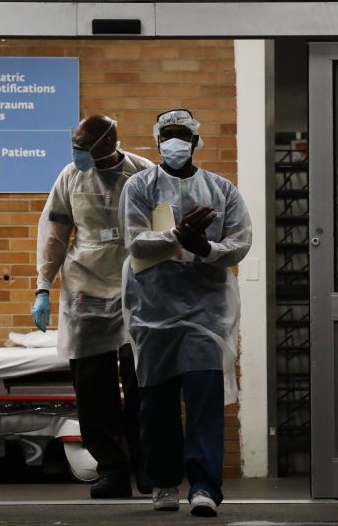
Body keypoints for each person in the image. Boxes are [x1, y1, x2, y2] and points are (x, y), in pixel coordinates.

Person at [120, 109, 252, 518]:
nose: (173, 142)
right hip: (151, 310)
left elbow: (241, 241)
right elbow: (136, 241)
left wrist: (204, 248)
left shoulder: (222, 190)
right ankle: (163, 482)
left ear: (196, 141)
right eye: (167, 134)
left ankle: (204, 485)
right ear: (158, 140)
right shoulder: (139, 186)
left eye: (181, 134)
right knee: (156, 401)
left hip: (206, 314)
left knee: (204, 399)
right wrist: (178, 235)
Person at [32, 115, 155, 498]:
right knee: (92, 385)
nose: (76, 150)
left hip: (137, 286)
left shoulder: (144, 173)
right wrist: (42, 287)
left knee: (144, 383)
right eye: (74, 142)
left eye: (82, 143)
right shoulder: (70, 176)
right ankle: (112, 471)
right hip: (85, 287)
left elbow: (166, 228)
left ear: (108, 141)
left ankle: (147, 467)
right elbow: (54, 233)